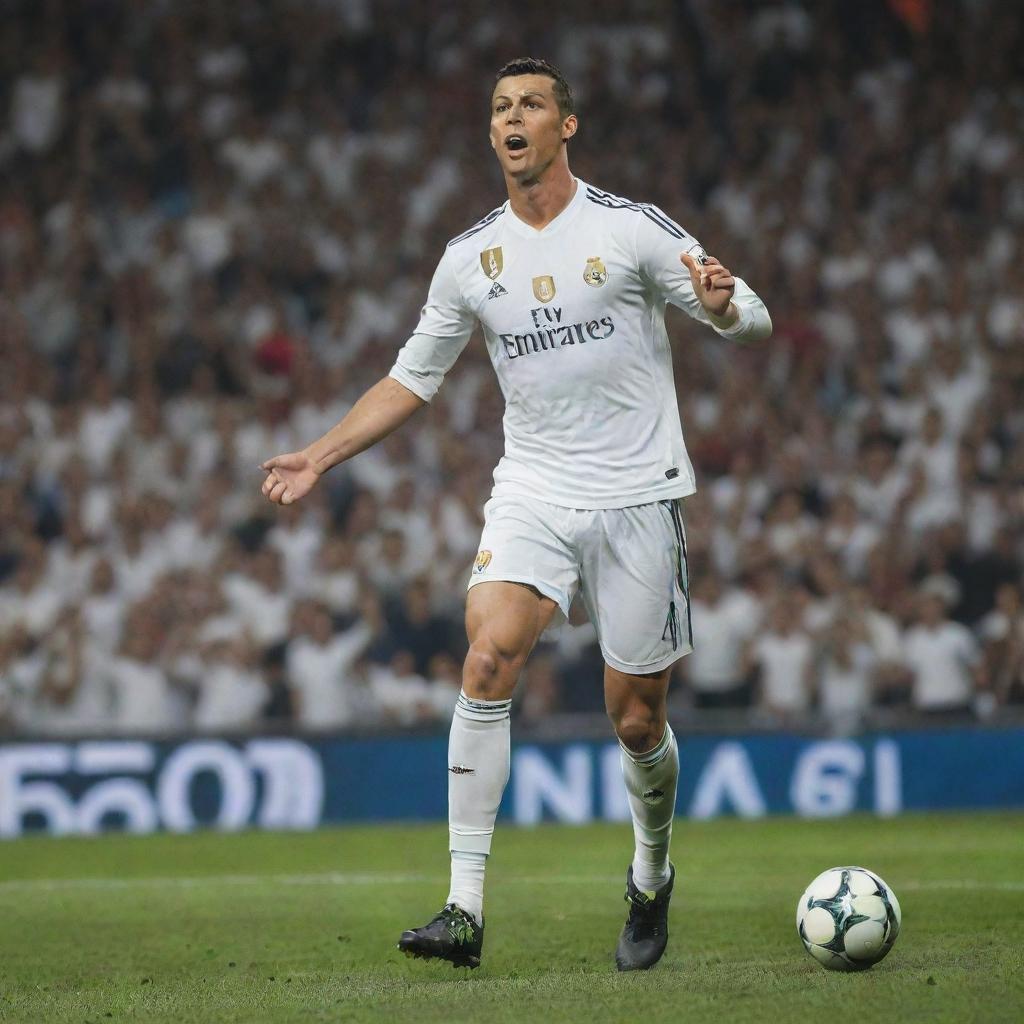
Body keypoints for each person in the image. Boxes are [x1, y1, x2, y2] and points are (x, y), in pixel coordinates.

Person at [260, 57, 771, 971]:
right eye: (501, 106)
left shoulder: (630, 230)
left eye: (532, 103)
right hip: (533, 486)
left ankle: (651, 873)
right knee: (488, 651)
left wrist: (726, 309)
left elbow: (752, 316)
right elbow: (412, 377)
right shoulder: (470, 259)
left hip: (638, 493)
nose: (514, 117)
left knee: (636, 722)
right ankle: (463, 908)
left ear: (565, 126)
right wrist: (319, 454)